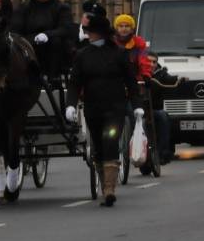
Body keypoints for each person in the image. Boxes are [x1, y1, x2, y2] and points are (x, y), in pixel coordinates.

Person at [65, 14, 141, 207]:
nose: (88, 35)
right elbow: (74, 83)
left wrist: (137, 105)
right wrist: (70, 104)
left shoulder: (119, 54)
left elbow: (131, 83)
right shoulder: (82, 55)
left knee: (111, 140)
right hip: (93, 108)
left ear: (100, 34)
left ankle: (109, 189)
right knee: (98, 144)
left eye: (91, 32)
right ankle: (103, 182)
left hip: (115, 107)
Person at [11, 0, 74, 81]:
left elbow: (66, 28)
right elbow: (16, 29)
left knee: (57, 42)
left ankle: (53, 77)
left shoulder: (62, 8)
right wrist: (30, 39)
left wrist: (47, 35)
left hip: (54, 46)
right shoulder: (24, 8)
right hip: (29, 44)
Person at [145, 52, 183, 165]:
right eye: (149, 61)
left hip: (155, 110)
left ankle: (163, 152)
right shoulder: (137, 72)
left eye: (154, 62)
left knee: (163, 116)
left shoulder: (161, 74)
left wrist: (178, 79)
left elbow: (170, 79)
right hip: (139, 110)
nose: (151, 64)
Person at [113, 14, 152, 81]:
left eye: (127, 26)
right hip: (115, 80)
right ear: (116, 29)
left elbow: (144, 60)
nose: (124, 29)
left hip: (135, 80)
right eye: (121, 26)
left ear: (132, 29)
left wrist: (146, 75)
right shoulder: (111, 43)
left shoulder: (139, 43)